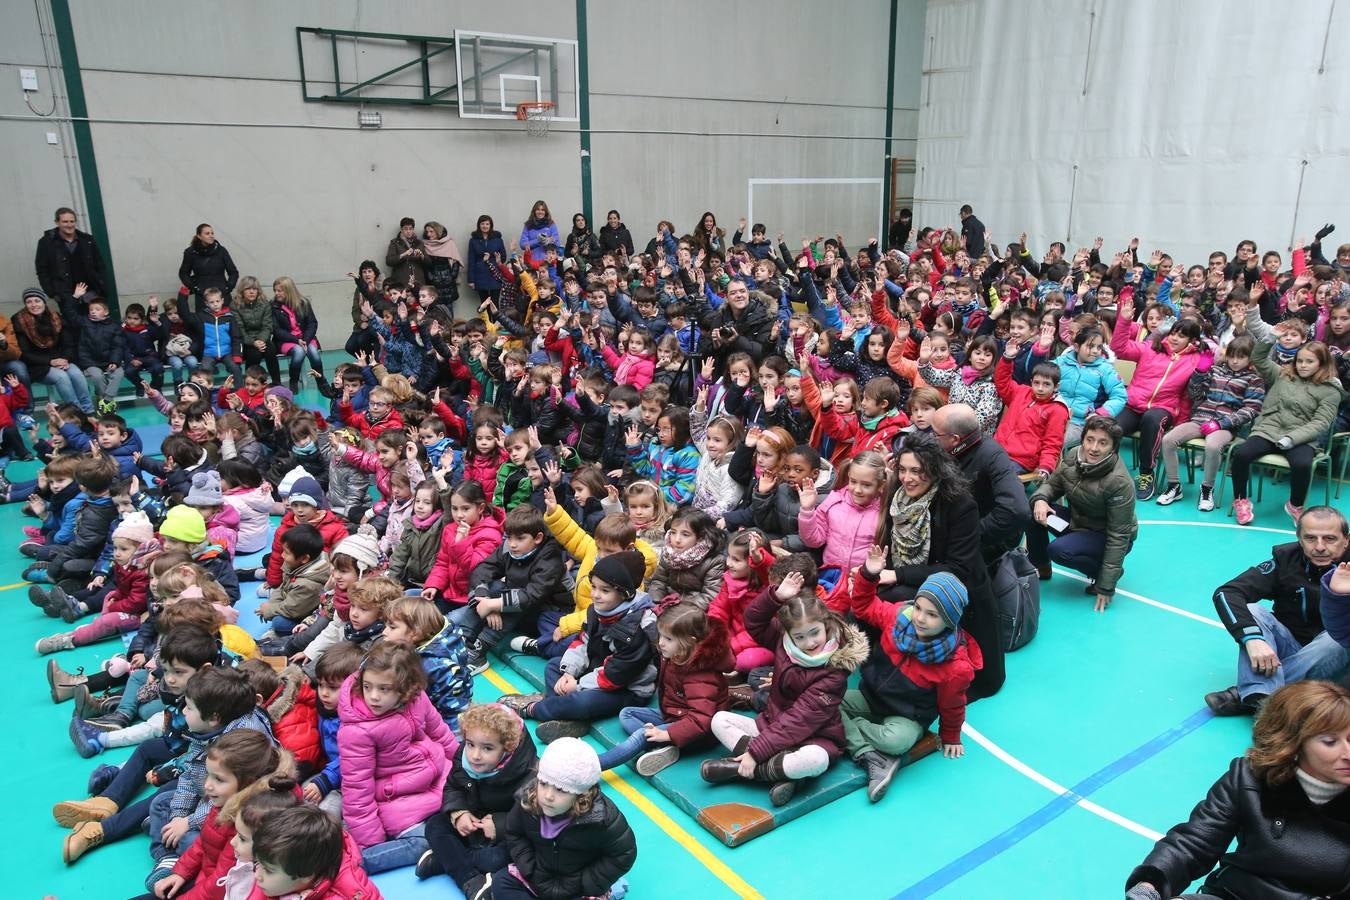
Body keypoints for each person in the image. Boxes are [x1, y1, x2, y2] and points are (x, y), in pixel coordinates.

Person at [1125, 680, 1350, 900]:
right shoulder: (1249, 777)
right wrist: (1150, 884)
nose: (1348, 753)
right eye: (1330, 741)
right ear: (1293, 743)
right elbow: (1195, 843)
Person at [701, 571, 867, 806]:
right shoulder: (784, 641)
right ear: (788, 633)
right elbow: (754, 621)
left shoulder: (834, 671)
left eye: (815, 633)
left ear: (826, 625)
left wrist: (755, 753)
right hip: (772, 724)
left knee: (816, 760)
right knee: (719, 720)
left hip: (814, 738)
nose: (809, 643)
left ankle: (742, 769)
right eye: (800, 637)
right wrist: (775, 597)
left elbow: (799, 720)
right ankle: (777, 772)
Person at [872, 433, 1005, 700]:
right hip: (917, 577)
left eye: (917, 471)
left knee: (890, 599)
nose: (907, 478)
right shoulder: (897, 498)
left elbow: (957, 569)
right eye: (903, 470)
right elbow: (889, 547)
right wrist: (872, 572)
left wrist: (896, 575)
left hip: (957, 588)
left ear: (934, 471)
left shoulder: (959, 504)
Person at [846, 550, 978, 802]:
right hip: (870, 697)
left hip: (906, 716)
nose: (920, 618)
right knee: (827, 700)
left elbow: (952, 704)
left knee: (896, 742)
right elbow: (862, 607)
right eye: (918, 607)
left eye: (932, 614)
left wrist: (951, 735)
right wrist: (869, 574)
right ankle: (868, 752)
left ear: (949, 620)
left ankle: (850, 733)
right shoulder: (897, 617)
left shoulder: (955, 665)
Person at [1204, 506, 1350, 716]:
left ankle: (1252, 694)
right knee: (1254, 612)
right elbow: (1227, 593)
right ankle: (1266, 701)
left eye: (1329, 539)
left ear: (1346, 540)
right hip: (1290, 648)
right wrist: (1252, 639)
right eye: (1310, 538)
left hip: (1339, 663)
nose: (1319, 547)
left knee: (1335, 637)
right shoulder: (1286, 561)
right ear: (1299, 538)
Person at [338, 641, 459, 873]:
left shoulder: (417, 698)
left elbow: (441, 733)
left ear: (406, 688)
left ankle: (442, 852)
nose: (373, 696)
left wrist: (466, 770)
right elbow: (357, 789)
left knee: (474, 816)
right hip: (398, 803)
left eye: (384, 689)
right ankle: (355, 863)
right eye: (367, 686)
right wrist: (372, 840)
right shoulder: (357, 731)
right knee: (428, 839)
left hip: (439, 780)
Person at [1229, 310, 1343, 525]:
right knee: (1242, 454)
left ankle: (1295, 505)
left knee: (1302, 465)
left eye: (1309, 362)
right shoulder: (1282, 374)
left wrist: (1292, 439)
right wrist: (1271, 337)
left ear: (1322, 363)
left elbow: (1321, 422)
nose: (1302, 365)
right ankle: (1241, 500)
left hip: (1300, 437)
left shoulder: (1330, 390)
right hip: (1269, 429)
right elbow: (1258, 358)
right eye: (1300, 361)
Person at [417, 703, 539, 896]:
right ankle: (471, 881)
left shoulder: (529, 774)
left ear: (507, 748)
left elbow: (531, 820)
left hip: (504, 836)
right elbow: (453, 786)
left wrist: (498, 826)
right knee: (435, 825)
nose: (475, 755)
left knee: (498, 859)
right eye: (470, 744)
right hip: (473, 825)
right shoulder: (463, 757)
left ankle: (447, 860)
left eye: (487, 748)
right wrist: (459, 812)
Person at [495, 737, 637, 900]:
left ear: (580, 794)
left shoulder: (602, 819)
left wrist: (587, 883)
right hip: (539, 876)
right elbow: (514, 832)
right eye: (543, 783)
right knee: (502, 882)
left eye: (561, 790)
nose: (548, 796)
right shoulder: (528, 803)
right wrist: (530, 867)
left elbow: (624, 853)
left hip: (576, 887)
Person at [1029, 415, 1138, 608]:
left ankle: (1100, 572)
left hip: (1104, 534)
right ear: (1083, 440)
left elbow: (1119, 536)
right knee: (1032, 509)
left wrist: (1105, 586)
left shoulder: (1119, 482)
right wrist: (1040, 499)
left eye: (1102, 443)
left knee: (1059, 550)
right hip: (1076, 523)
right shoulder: (1073, 456)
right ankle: (1041, 566)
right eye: (1090, 440)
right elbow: (1053, 486)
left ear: (1113, 448)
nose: (1094, 448)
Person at [931, 404, 1031, 566]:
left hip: (985, 539)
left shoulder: (992, 456)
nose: (931, 438)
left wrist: (971, 533)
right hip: (951, 526)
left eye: (935, 434)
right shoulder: (948, 448)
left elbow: (1017, 510)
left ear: (955, 439)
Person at [14, 286, 93, 413]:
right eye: (29, 302)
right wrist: (51, 362)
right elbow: (24, 353)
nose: (34, 305)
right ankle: (76, 413)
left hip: (61, 359)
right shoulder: (19, 321)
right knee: (61, 377)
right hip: (37, 365)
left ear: (43, 302)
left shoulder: (55, 317)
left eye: (37, 301)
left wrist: (65, 358)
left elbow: (68, 343)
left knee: (76, 373)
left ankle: (89, 411)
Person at [35, 206, 110, 322]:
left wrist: (101, 284)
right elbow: (42, 270)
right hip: (65, 294)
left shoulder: (87, 240)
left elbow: (100, 265)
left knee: (96, 324)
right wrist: (52, 293)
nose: (69, 225)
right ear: (57, 222)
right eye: (65, 221)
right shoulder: (46, 243)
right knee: (73, 326)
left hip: (91, 292)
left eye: (72, 221)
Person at [178, 224, 238, 316]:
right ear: (199, 236)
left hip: (222, 295)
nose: (211, 235)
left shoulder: (221, 250)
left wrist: (228, 287)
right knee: (205, 326)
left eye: (212, 233)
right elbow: (183, 273)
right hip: (203, 297)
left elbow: (233, 272)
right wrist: (195, 288)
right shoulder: (190, 253)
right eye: (207, 233)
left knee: (226, 324)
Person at [386, 216, 427, 289]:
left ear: (413, 230)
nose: (408, 231)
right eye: (405, 229)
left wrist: (421, 255)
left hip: (418, 280)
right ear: (401, 230)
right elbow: (389, 261)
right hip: (401, 281)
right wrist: (404, 254)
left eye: (410, 229)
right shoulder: (395, 242)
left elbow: (428, 263)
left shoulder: (419, 243)